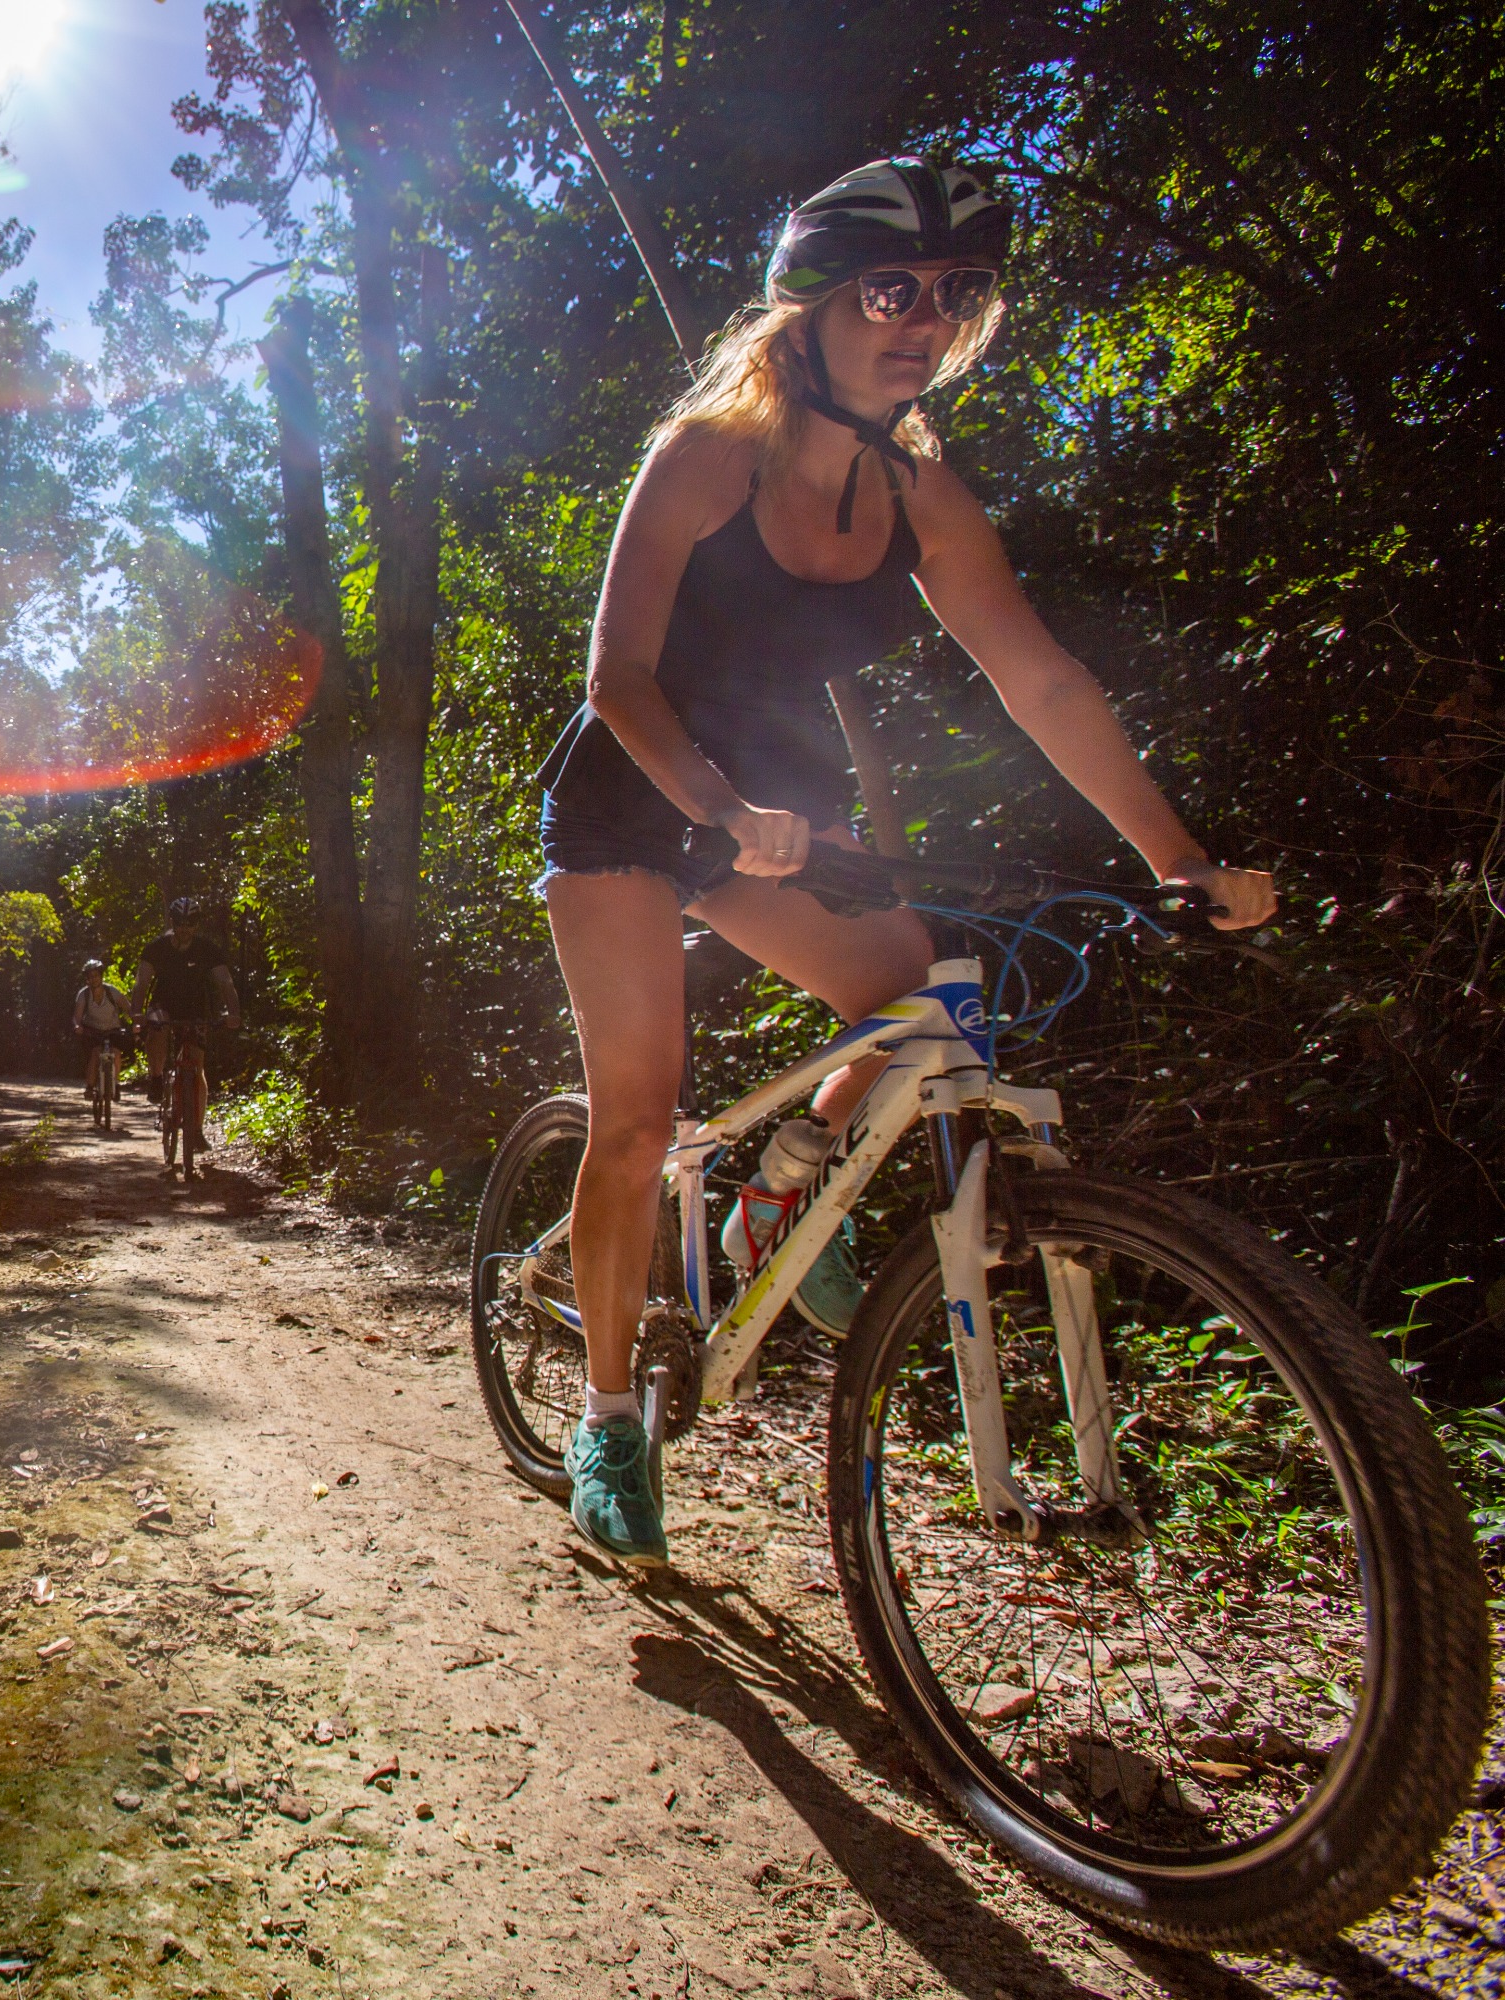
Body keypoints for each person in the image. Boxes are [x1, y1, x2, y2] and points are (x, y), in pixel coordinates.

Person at [530, 159, 1275, 1568]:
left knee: (930, 991)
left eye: (955, 295)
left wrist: (1178, 856)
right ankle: (611, 1416)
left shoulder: (923, 494)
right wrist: (718, 802)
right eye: (890, 290)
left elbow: (1041, 682)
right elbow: (617, 676)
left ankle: (780, 1183)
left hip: (778, 811)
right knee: (636, 1118)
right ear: (808, 309)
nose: (922, 320)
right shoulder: (706, 454)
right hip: (638, 799)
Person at [125, 899, 237, 1106]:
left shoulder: (207, 949)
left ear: (197, 924)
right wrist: (137, 1013)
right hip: (163, 1003)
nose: (185, 927)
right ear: (172, 922)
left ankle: (197, 1131)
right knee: (157, 1028)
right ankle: (157, 1077)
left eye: (190, 922)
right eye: (180, 922)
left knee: (197, 1067)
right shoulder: (156, 948)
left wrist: (234, 1013)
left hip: (196, 1006)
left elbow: (226, 982)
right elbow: (141, 983)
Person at [73, 959, 131, 1099]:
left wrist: (136, 1023)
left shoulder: (112, 992)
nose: (93, 979)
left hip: (112, 1030)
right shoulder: (84, 995)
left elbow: (128, 1008)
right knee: (96, 1053)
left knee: (116, 1053)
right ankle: (90, 1087)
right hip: (93, 1031)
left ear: (101, 976)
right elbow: (77, 1016)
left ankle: (116, 1084)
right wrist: (77, 1025)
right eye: (90, 977)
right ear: (87, 979)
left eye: (96, 976)